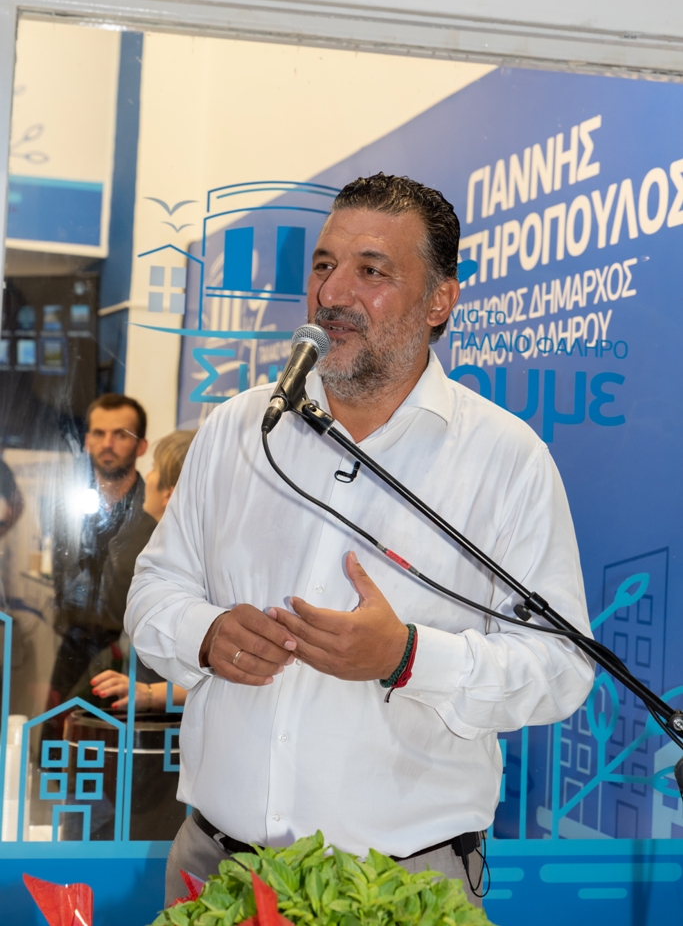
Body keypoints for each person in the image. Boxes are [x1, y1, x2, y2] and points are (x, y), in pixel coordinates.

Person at [126, 173, 594, 908]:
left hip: (402, 884)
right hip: (217, 869)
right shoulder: (238, 428)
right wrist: (207, 634)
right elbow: (154, 590)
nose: (333, 292)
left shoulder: (506, 459)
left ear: (440, 300)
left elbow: (560, 668)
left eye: (371, 270)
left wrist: (408, 657)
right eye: (324, 264)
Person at [47, 393, 155, 723]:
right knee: (57, 745)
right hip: (71, 652)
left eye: (121, 434)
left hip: (131, 660)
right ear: (86, 441)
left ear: (141, 446)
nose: (107, 443)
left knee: (113, 749)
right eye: (99, 433)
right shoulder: (68, 512)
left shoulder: (156, 516)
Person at [90, 429, 196, 711]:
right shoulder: (157, 553)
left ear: (169, 494)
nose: (148, 476)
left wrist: (150, 694)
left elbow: (219, 673)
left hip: (168, 727)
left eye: (154, 469)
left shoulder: (193, 572)